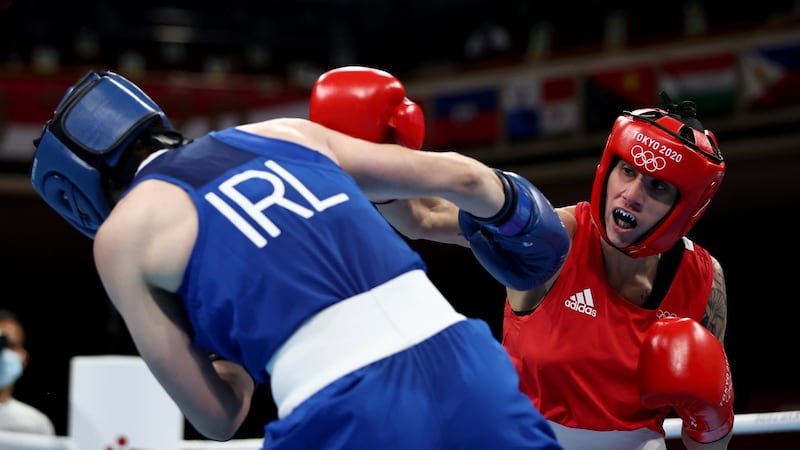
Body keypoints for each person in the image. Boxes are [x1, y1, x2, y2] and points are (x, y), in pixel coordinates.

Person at [28, 68, 564, 449]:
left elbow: (218, 416)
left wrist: (222, 343)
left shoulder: (122, 238)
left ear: (76, 195)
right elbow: (465, 178)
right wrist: (520, 219)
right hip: (472, 364)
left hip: (344, 407)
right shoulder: (283, 132)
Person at [362, 92, 734, 450]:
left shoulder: (702, 279)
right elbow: (422, 218)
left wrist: (713, 422)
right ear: (608, 168)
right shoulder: (553, 239)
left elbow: (705, 439)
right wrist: (374, 149)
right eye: (627, 171)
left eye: (657, 186)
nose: (632, 194)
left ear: (685, 208)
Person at [0, 309, 56, 435]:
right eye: (0, 345)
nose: (2, 353)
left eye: (11, 346)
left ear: (24, 359)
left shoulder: (35, 425)